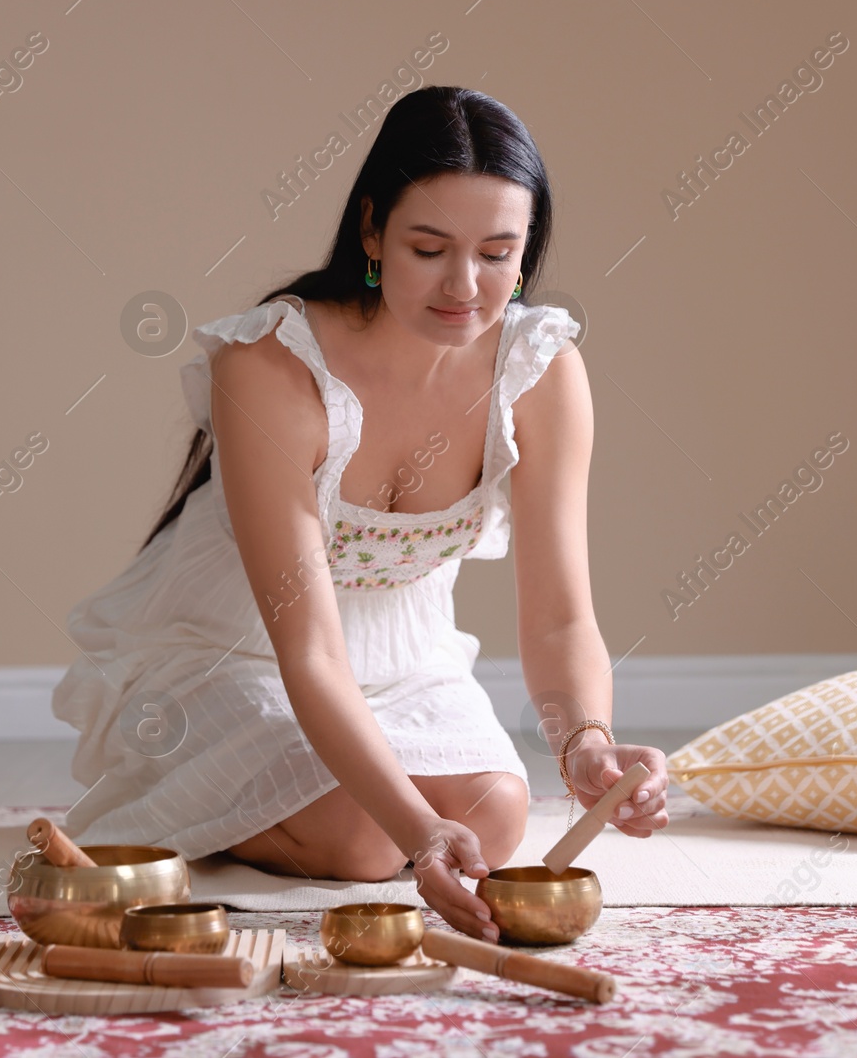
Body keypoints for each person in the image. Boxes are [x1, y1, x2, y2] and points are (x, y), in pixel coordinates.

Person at [52, 86, 669, 943]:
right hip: (241, 648)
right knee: (363, 832)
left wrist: (589, 748)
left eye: (499, 253)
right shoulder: (272, 366)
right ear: (373, 232)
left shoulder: (540, 371)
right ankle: (205, 800)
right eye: (430, 248)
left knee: (496, 813)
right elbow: (307, 650)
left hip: (409, 652)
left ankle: (345, 814)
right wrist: (419, 836)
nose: (465, 286)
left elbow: (562, 615)